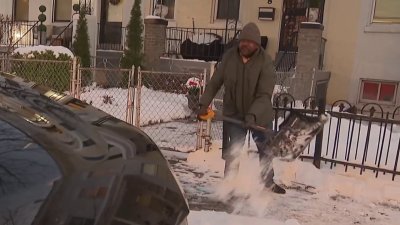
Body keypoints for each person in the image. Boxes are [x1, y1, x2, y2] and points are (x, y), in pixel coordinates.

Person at [197, 22, 285, 194]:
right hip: (235, 114)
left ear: (257, 45)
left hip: (259, 116)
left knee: (265, 149)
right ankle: (229, 183)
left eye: (250, 42)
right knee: (234, 150)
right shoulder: (230, 57)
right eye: (243, 41)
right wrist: (203, 103)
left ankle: (267, 182)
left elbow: (264, 95)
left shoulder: (266, 63)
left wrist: (253, 115)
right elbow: (215, 82)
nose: (245, 44)